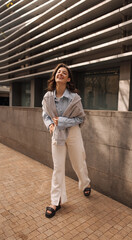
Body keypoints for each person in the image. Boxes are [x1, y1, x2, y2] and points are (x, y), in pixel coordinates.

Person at [42, 63, 91, 218]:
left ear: (68, 79)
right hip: (57, 133)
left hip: (73, 133)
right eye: (58, 72)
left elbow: (80, 118)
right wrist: (50, 124)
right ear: (55, 76)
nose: (60, 74)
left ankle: (85, 182)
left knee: (78, 163)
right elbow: (45, 114)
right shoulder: (48, 97)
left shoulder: (74, 98)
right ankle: (56, 201)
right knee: (58, 168)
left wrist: (62, 121)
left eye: (64, 73)